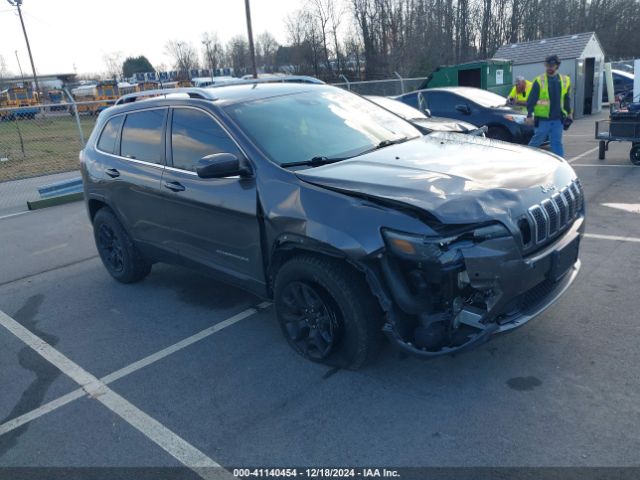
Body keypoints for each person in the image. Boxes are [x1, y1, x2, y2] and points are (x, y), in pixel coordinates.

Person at [526, 54, 572, 157]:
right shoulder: (539, 80)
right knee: (536, 141)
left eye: (552, 65)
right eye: (547, 65)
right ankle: (526, 158)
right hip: (543, 120)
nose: (549, 68)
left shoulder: (565, 80)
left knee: (557, 143)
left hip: (558, 120)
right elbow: (531, 100)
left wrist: (569, 113)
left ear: (557, 66)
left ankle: (560, 165)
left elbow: (566, 99)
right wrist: (529, 115)